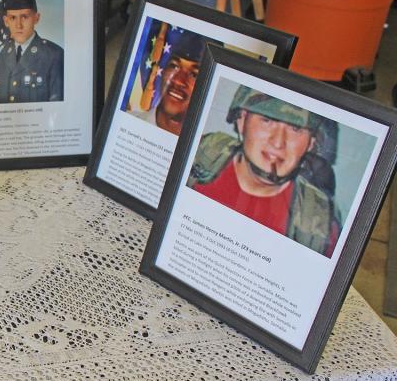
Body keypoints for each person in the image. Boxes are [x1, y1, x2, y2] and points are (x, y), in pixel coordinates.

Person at [187, 86, 340, 256]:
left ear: (311, 143)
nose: (278, 142)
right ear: (242, 120)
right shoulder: (200, 155)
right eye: (267, 120)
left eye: (295, 129)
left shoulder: (320, 224)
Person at [0, 0, 64, 104]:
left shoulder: (54, 55)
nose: (18, 25)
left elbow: (58, 109)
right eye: (13, 18)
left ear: (36, 18)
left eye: (25, 17)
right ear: (6, 21)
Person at [131, 30, 205, 136]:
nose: (178, 80)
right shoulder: (128, 124)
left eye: (194, 74)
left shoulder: (210, 149)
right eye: (174, 66)